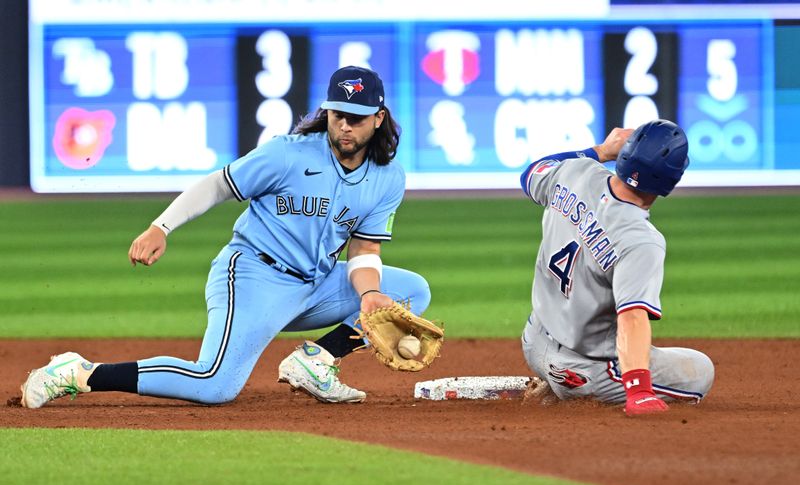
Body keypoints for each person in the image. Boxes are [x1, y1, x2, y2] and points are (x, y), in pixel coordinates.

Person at [20, 66, 431, 408]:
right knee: (215, 384)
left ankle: (317, 361)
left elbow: (363, 248)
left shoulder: (387, 178)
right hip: (254, 276)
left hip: (315, 284)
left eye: (355, 117)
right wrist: (161, 227)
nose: (343, 125)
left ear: (378, 118)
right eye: (336, 114)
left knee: (410, 290)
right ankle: (79, 372)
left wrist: (370, 294)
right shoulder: (288, 154)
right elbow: (218, 185)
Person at [518, 120, 714, 416]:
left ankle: (554, 382)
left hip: (533, 340)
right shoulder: (640, 240)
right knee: (700, 370)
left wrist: (600, 151)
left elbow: (530, 174)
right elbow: (633, 317)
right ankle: (570, 387)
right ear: (670, 182)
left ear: (625, 151)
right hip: (581, 371)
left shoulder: (575, 171)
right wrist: (639, 391)